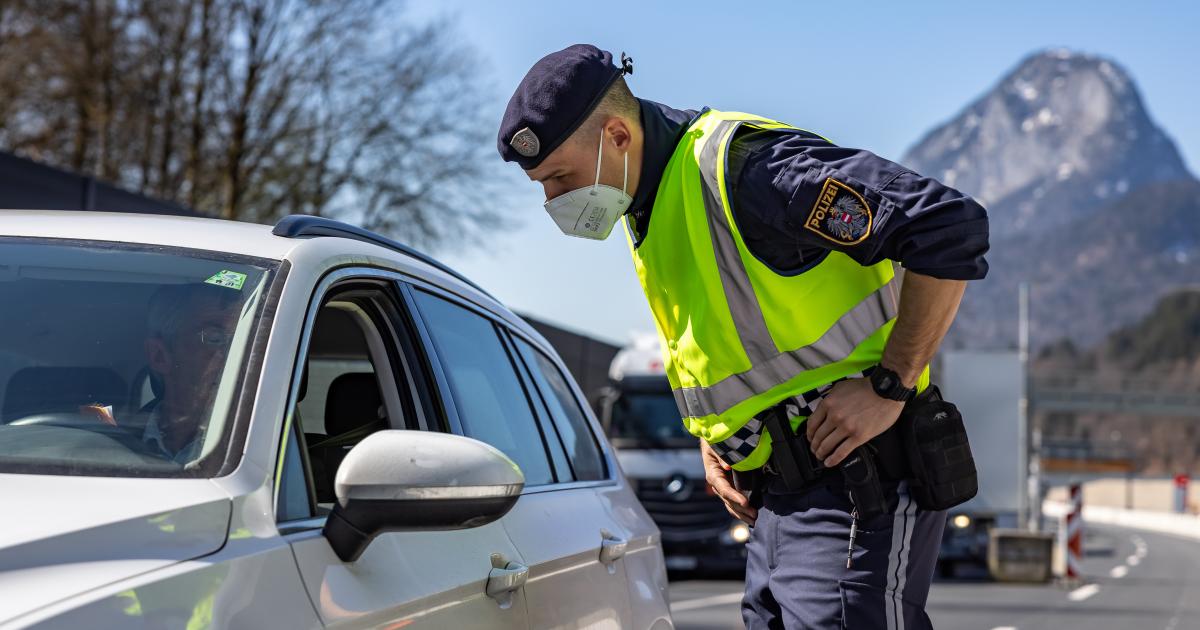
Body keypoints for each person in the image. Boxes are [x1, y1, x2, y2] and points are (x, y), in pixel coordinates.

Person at [497, 44, 989, 629]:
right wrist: (719, 438)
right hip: (778, 504)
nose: (552, 201)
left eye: (558, 177)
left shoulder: (744, 169)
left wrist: (891, 383)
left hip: (856, 484)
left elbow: (946, 226)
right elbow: (731, 345)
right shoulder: (648, 202)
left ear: (617, 137)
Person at [140, 283, 243, 464]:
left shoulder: (258, 445)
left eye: (245, 340)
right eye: (215, 338)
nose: (238, 355)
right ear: (159, 356)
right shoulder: (106, 443)